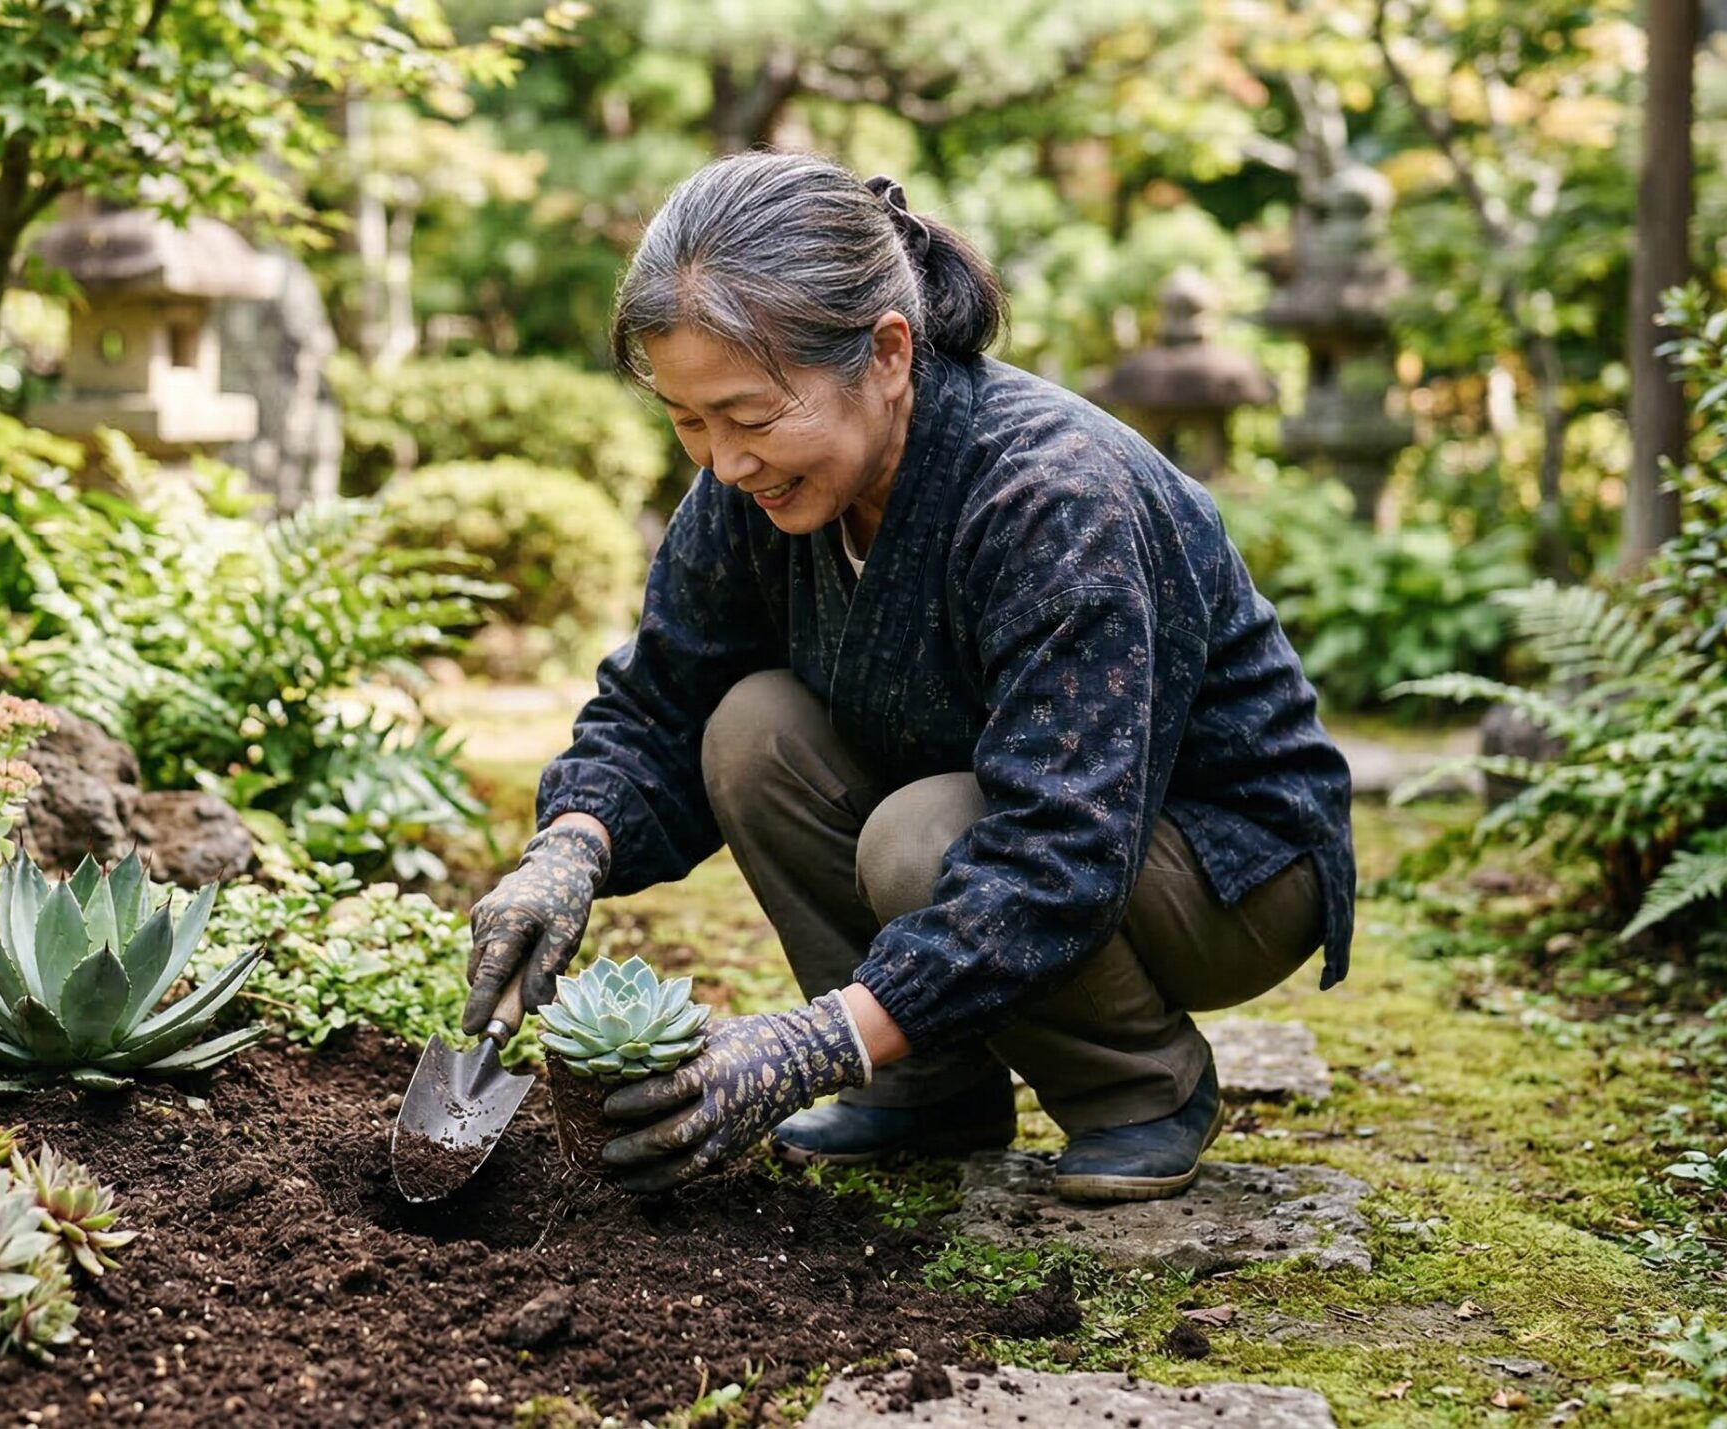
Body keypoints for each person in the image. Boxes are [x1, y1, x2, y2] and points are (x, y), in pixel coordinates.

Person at [460, 151, 1354, 1203]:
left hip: (1220, 861)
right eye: (686, 421)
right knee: (747, 728)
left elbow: (1058, 848)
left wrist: (817, 1040)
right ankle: (927, 1080)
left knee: (922, 839)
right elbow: (665, 696)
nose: (722, 461)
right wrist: (569, 848)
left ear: (887, 353)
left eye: (748, 416)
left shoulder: (1053, 497)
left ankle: (1139, 1087)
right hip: (1006, 809)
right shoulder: (749, 492)